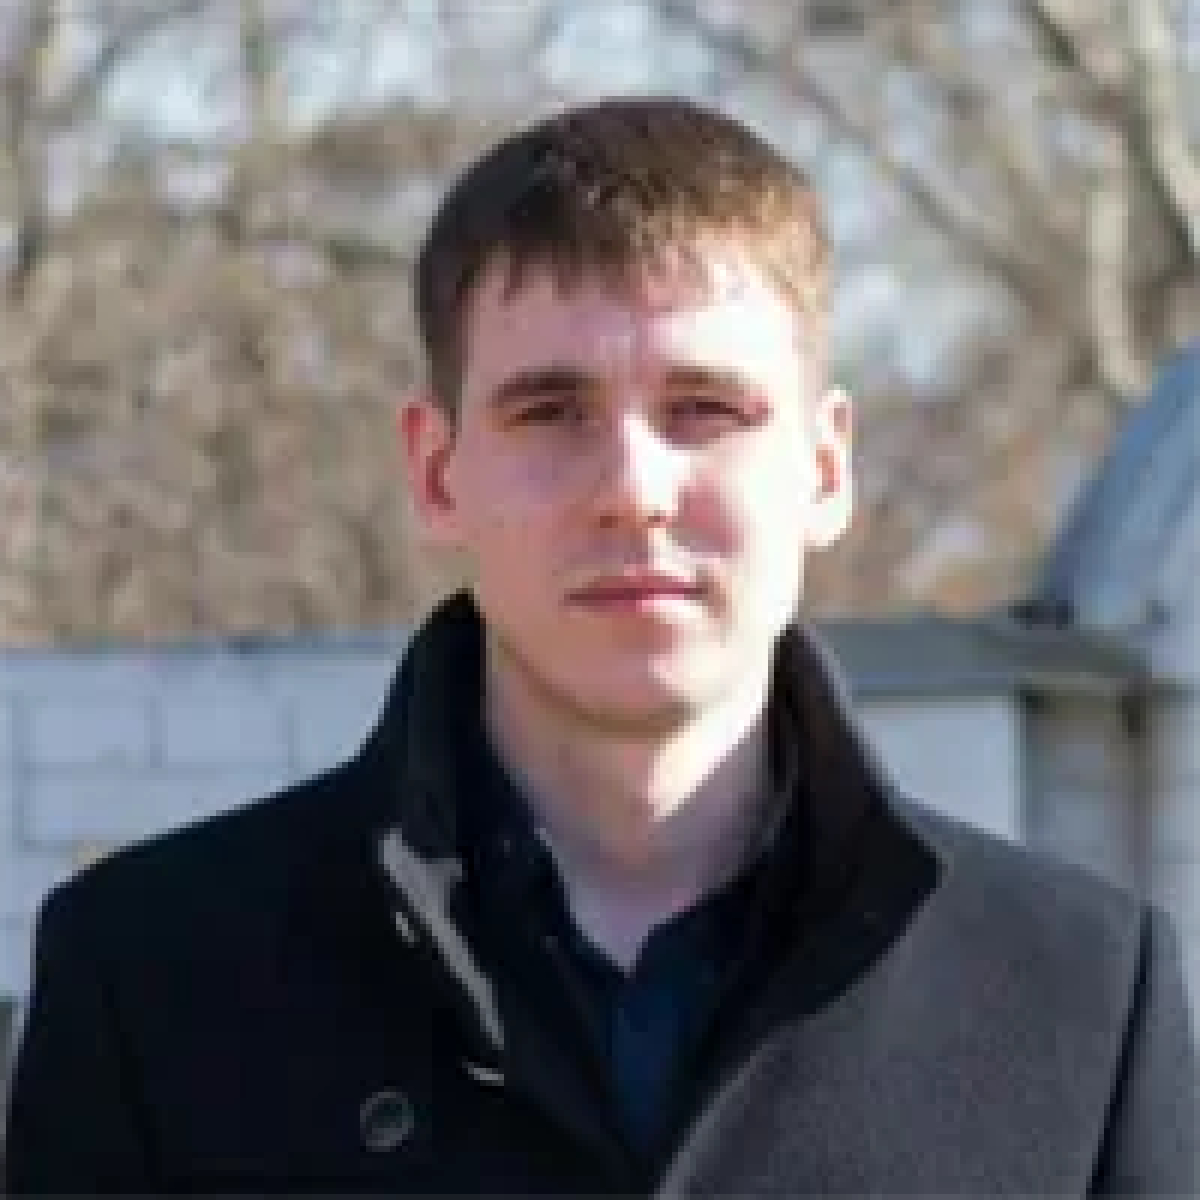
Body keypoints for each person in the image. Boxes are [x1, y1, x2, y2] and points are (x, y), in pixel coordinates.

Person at [3, 96, 1196, 1197]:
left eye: (705, 409)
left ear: (826, 468)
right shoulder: (153, 980)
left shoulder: (1079, 999)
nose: (633, 489)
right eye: (550, 412)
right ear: (437, 470)